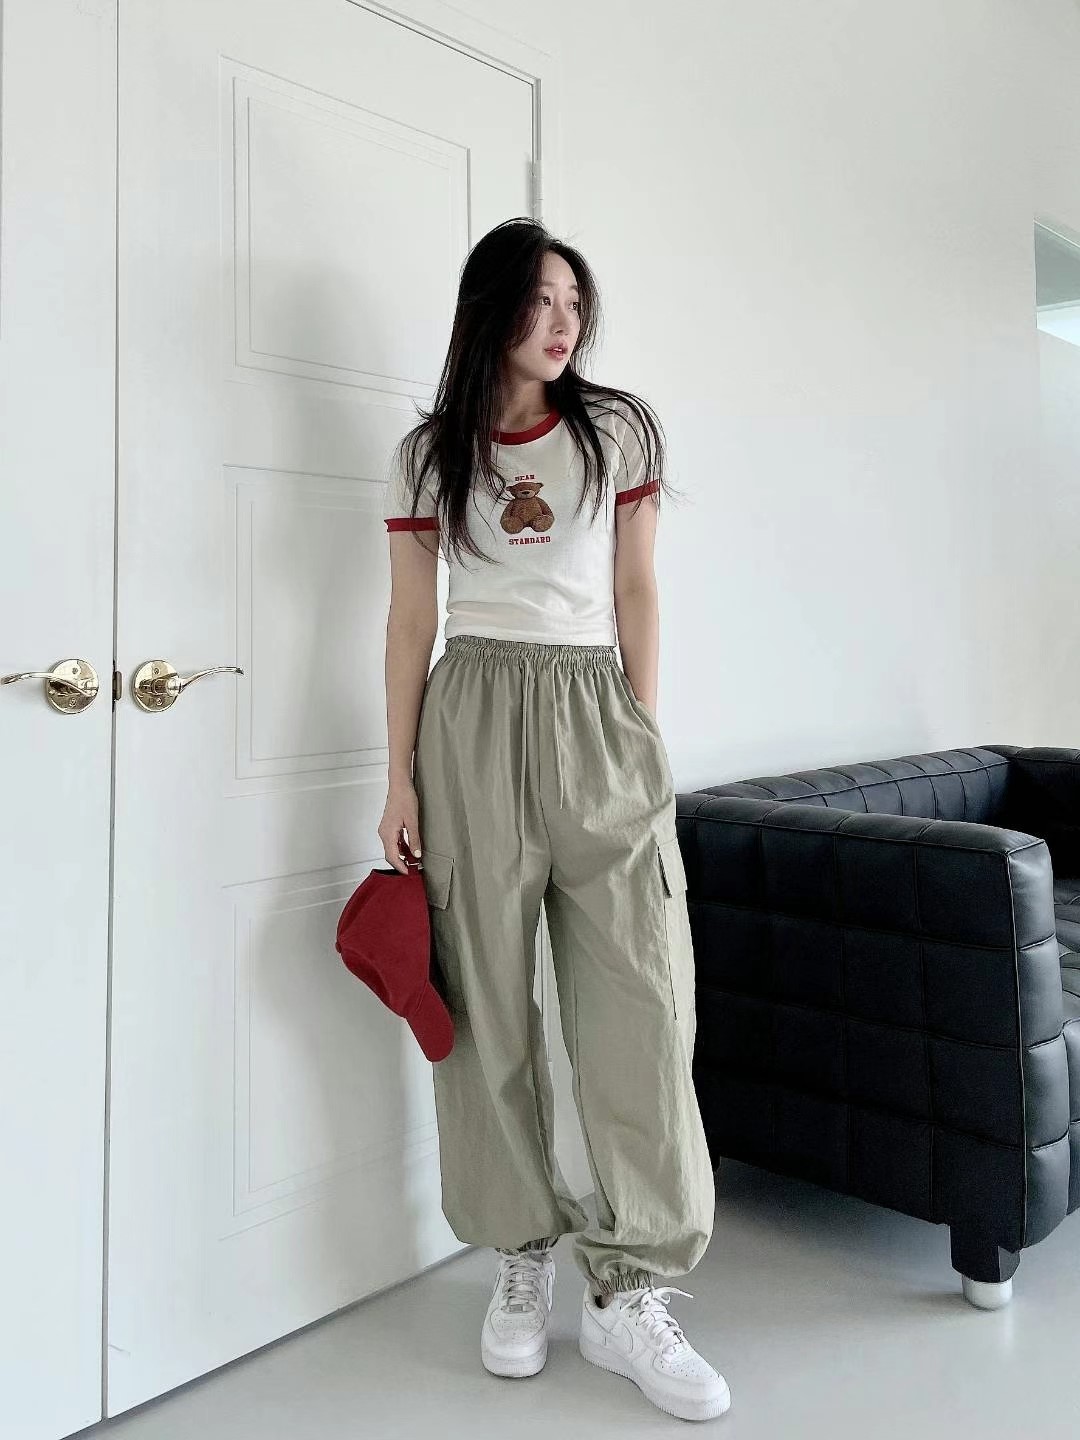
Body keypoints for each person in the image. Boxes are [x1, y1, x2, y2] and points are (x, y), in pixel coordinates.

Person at [379, 217, 729, 1423]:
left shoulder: (616, 430)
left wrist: (641, 733)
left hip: (595, 710)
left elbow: (636, 587)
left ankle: (632, 1286)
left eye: (575, 300)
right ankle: (519, 1252)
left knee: (642, 992)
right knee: (484, 997)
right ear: (490, 309)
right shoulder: (429, 455)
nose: (564, 319)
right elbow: (408, 622)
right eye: (540, 297)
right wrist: (398, 778)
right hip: (469, 711)